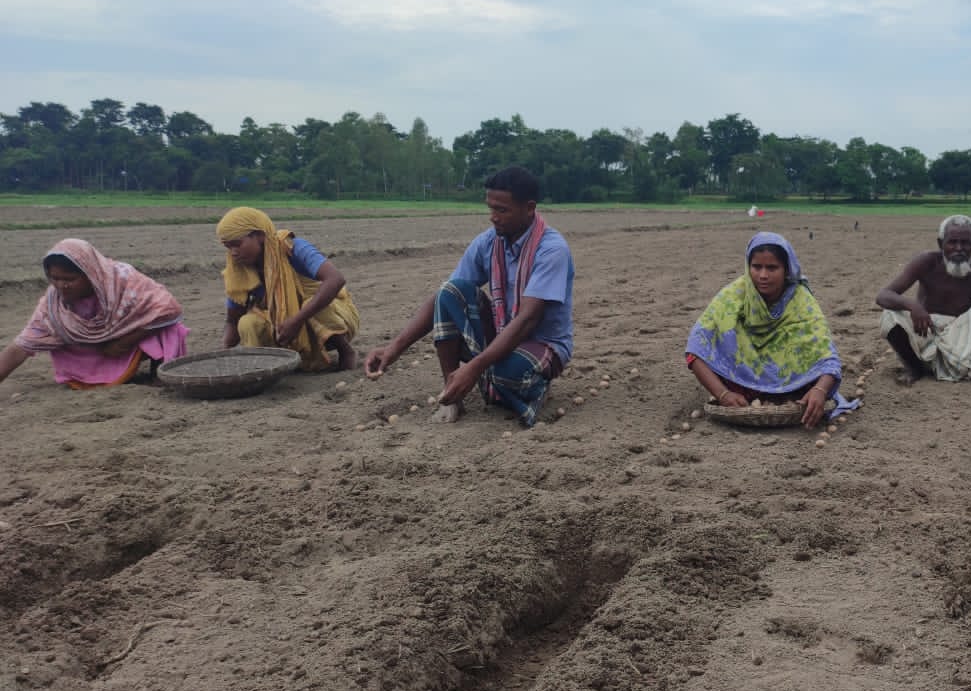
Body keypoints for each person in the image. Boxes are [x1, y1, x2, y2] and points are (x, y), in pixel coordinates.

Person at [363, 166, 574, 427]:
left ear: (529, 208)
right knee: (451, 292)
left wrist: (473, 368)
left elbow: (528, 320)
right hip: (503, 330)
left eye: (502, 210)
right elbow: (445, 295)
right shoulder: (488, 242)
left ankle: (530, 385)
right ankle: (453, 397)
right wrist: (394, 348)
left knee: (508, 373)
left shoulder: (551, 250)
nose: (493, 218)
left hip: (542, 342)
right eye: (491, 208)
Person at [686, 232, 847, 429]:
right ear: (748, 266)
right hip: (741, 385)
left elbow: (827, 357)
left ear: (787, 270)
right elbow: (695, 350)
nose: (763, 275)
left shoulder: (801, 300)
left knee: (814, 376)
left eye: (772, 268)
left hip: (794, 385)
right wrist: (723, 394)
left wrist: (821, 390)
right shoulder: (732, 296)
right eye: (756, 267)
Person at [0, 239, 189, 389]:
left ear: (90, 274)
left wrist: (125, 341)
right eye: (54, 278)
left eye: (70, 279)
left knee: (168, 324)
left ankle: (159, 371)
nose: (61, 285)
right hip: (93, 352)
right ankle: (90, 377)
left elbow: (168, 308)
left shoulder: (122, 281)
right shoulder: (53, 304)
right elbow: (21, 346)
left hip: (124, 345)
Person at [217, 207, 360, 371]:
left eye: (237, 244)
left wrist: (297, 320)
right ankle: (263, 369)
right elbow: (232, 320)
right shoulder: (239, 272)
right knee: (248, 323)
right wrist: (224, 353)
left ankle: (346, 352)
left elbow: (335, 279)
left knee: (311, 304)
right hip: (284, 331)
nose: (233, 253)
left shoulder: (292, 247)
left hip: (332, 318)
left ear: (260, 235)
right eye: (228, 247)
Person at [876, 214, 971, 382]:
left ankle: (946, 365)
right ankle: (914, 368)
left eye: (965, 243)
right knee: (890, 315)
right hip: (925, 328)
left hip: (961, 334)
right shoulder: (926, 262)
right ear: (940, 243)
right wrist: (913, 306)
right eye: (952, 242)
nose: (958, 248)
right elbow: (883, 295)